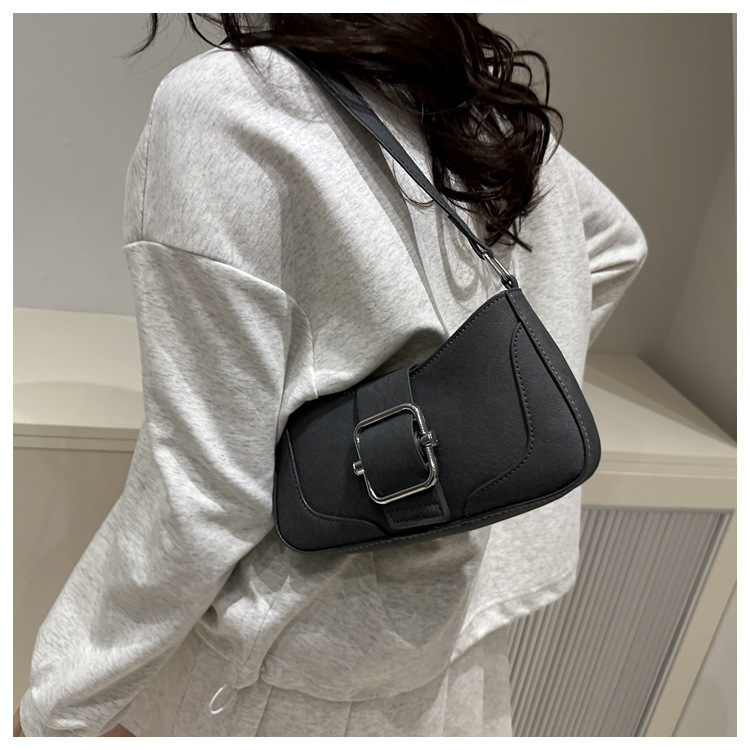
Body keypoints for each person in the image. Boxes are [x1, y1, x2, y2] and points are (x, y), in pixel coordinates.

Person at [14, 14, 647, 737]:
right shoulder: (475, 101)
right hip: (464, 640)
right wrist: (488, 413)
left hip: (295, 664)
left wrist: (57, 712)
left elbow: (203, 494)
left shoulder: (235, 107)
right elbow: (615, 244)